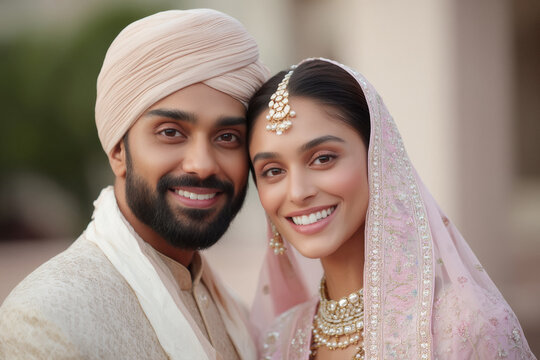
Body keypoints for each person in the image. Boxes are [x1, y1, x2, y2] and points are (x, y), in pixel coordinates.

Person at [0, 9, 268, 359]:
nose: (202, 165)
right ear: (117, 150)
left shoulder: (235, 311)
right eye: (171, 133)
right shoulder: (46, 319)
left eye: (228, 136)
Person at [246, 58, 535, 359]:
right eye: (273, 170)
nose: (298, 192)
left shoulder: (465, 326)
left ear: (379, 158)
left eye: (323, 158)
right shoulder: (276, 343)